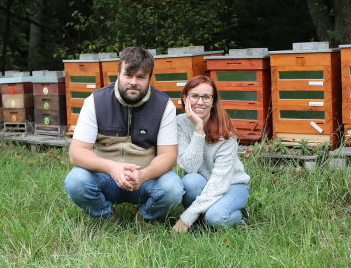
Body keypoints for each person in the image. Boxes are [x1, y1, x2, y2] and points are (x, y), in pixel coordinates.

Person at [64, 47, 183, 222]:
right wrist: (112, 168)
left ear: (150, 78)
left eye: (141, 77)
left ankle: (144, 218)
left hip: (144, 180)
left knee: (173, 188)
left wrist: (143, 175)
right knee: (75, 181)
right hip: (105, 178)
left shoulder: (164, 105)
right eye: (128, 75)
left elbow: (168, 155)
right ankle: (107, 217)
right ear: (119, 74)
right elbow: (77, 152)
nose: (133, 82)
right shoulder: (95, 102)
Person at [172, 75, 250, 233]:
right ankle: (202, 216)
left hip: (231, 185)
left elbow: (219, 182)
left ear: (213, 102)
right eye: (194, 96)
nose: (200, 102)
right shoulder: (180, 122)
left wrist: (185, 218)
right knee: (190, 181)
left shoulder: (225, 132)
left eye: (206, 97)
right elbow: (190, 167)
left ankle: (240, 216)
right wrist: (198, 129)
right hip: (201, 182)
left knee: (215, 218)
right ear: (185, 98)